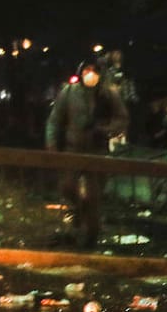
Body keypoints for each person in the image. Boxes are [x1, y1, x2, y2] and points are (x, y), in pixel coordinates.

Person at [45, 59, 129, 246]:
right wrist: (52, 145)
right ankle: (77, 214)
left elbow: (121, 118)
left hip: (96, 150)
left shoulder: (108, 94)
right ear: (81, 72)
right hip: (72, 149)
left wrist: (105, 129)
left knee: (93, 196)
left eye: (94, 70)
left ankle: (91, 236)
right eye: (87, 70)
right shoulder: (69, 92)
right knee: (68, 187)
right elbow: (55, 120)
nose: (90, 74)